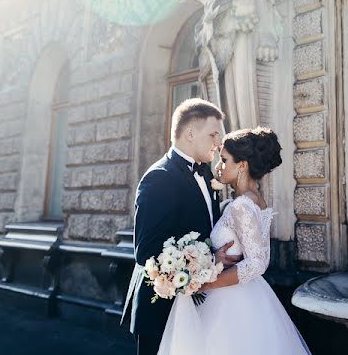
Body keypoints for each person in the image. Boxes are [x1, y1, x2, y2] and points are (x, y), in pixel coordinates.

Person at [158, 127, 312, 355]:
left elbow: (257, 263)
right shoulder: (252, 201)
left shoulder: (241, 206)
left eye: (224, 160)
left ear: (242, 165)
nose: (218, 166)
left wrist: (203, 283)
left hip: (232, 303)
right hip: (242, 295)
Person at [122, 98, 241, 355]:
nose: (218, 142)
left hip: (198, 302)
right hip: (162, 308)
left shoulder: (206, 173)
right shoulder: (158, 178)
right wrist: (210, 259)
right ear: (190, 133)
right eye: (212, 134)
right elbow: (147, 251)